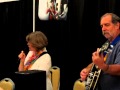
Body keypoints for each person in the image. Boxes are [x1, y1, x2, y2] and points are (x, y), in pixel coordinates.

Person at [80, 13, 120, 90]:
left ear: (117, 25)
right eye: (102, 26)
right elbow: (98, 63)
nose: (103, 29)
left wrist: (104, 66)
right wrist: (87, 69)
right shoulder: (107, 43)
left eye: (107, 25)